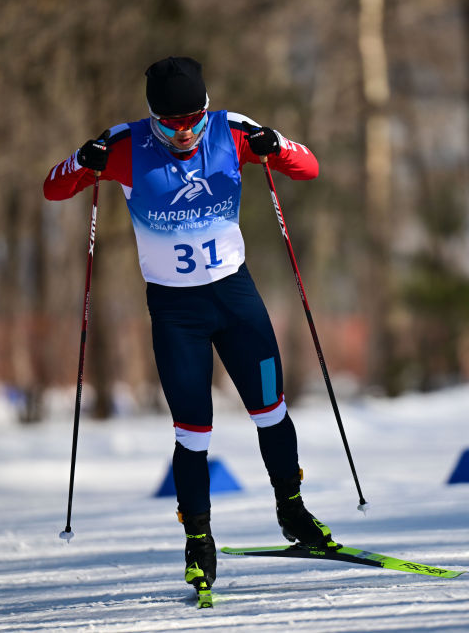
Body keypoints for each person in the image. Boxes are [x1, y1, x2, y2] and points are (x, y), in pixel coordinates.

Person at [43, 56, 334, 593]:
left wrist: (278, 147)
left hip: (236, 299)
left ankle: (293, 513)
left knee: (272, 411)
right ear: (152, 116)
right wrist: (84, 162)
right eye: (170, 123)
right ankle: (198, 542)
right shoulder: (124, 145)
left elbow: (309, 166)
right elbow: (54, 188)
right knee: (193, 431)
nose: (184, 132)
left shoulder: (233, 130)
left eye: (193, 119)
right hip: (177, 313)